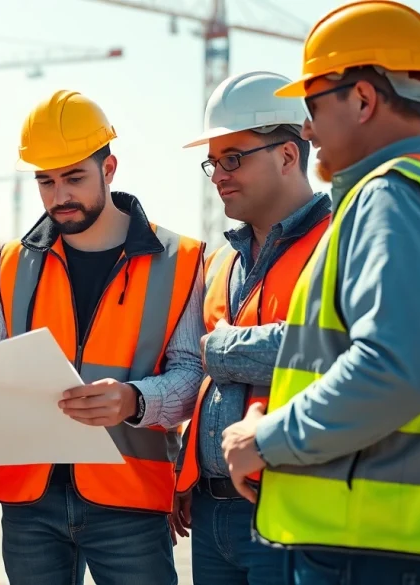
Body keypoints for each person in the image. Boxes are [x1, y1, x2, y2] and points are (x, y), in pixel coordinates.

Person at [220, 3, 420, 584]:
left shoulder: (394, 198)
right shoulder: (409, 196)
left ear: (364, 100)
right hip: (378, 538)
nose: (310, 128)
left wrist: (267, 439)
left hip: (373, 545)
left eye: (313, 107)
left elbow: (394, 369)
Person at [0, 89, 208, 585]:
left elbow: (192, 374)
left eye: (74, 178)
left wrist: (134, 400)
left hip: (130, 500)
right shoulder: (13, 262)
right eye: (46, 182)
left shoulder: (179, 260)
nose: (59, 197)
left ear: (109, 168)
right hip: (30, 503)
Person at [172, 70, 331, 585]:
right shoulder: (220, 262)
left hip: (292, 507)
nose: (218, 174)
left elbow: (331, 348)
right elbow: (199, 375)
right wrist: (185, 472)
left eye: (233, 158)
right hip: (211, 509)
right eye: (212, 163)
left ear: (288, 155)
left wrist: (223, 350)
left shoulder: (337, 242)